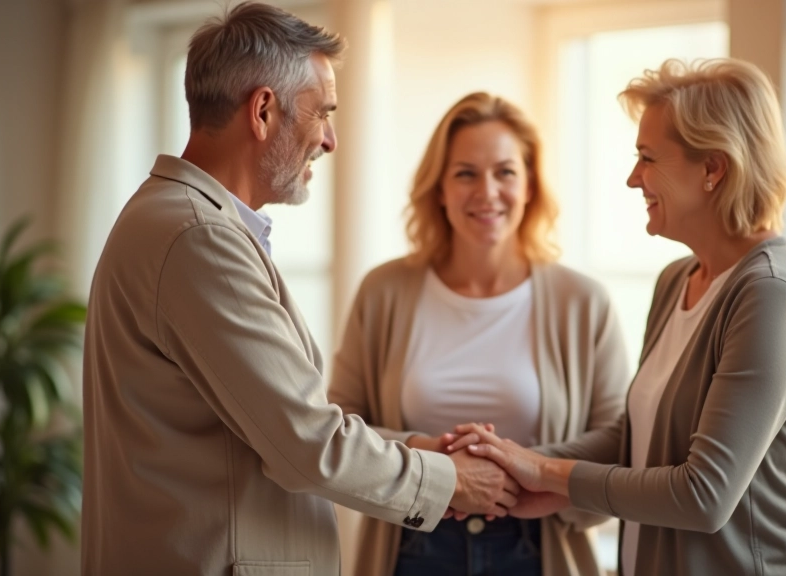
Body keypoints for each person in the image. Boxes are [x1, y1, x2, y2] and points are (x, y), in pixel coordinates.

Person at [81, 4, 516, 575]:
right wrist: (451, 480)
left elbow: (277, 417)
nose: (331, 140)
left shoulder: (177, 219)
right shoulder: (198, 236)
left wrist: (412, 448)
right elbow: (305, 446)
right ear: (263, 110)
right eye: (324, 113)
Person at [452, 58, 786, 576]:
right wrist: (511, 464)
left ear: (713, 168)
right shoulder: (678, 279)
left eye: (648, 158)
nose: (634, 179)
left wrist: (545, 471)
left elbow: (703, 495)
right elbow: (634, 438)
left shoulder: (772, 294)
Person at [327, 92, 630, 576]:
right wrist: (431, 460)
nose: (487, 191)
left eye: (505, 172)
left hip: (538, 550)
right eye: (466, 173)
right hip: (410, 546)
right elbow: (338, 428)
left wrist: (519, 470)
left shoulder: (584, 301)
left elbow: (621, 449)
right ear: (439, 189)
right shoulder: (384, 291)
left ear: (530, 185)